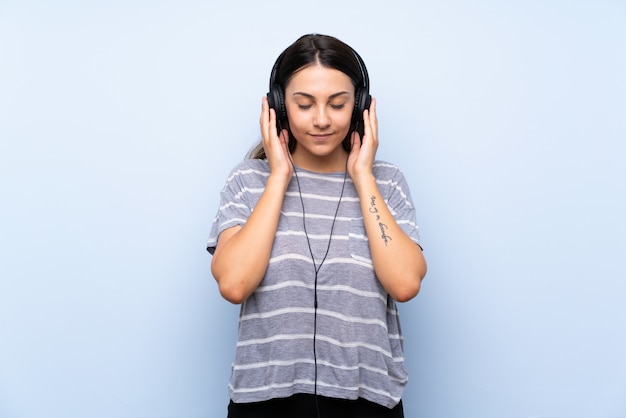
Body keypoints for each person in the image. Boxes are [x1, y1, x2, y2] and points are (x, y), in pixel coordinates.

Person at [206, 34, 427, 418]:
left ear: (359, 108)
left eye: (338, 104)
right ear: (278, 106)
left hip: (367, 404)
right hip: (264, 404)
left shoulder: (386, 183)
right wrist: (278, 177)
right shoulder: (248, 181)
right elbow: (234, 284)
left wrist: (363, 177)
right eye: (304, 104)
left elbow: (405, 283)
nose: (321, 119)